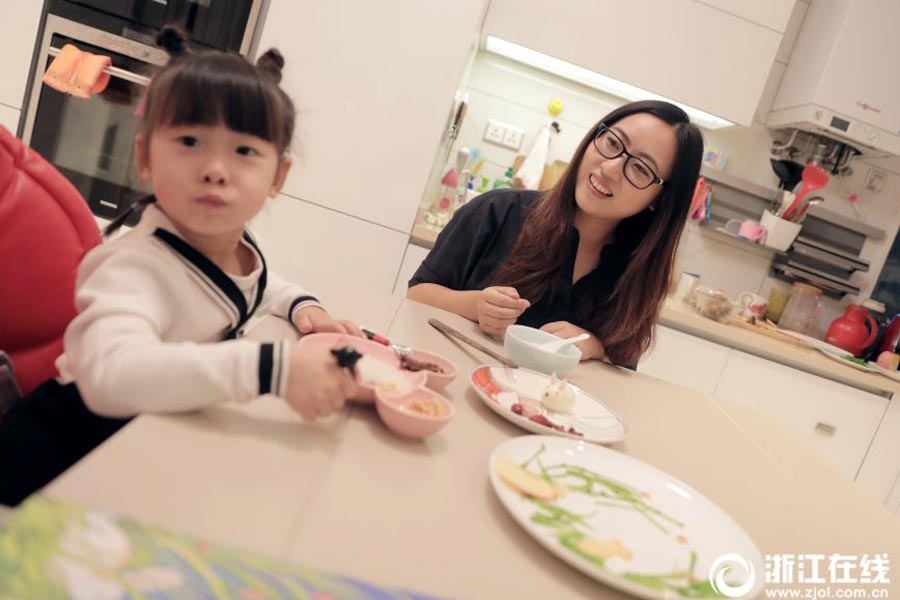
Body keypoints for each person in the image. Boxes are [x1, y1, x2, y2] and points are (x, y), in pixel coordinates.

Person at [0, 28, 359, 505]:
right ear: (145, 156)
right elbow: (111, 375)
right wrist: (272, 368)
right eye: (190, 141)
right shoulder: (134, 268)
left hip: (142, 442)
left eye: (244, 151)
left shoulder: (231, 243)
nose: (215, 169)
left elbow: (258, 284)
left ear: (278, 176)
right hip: (57, 460)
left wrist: (303, 307)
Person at [407, 100, 703, 368]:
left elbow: (625, 358)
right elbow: (417, 292)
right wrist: (474, 306)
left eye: (640, 168)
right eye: (612, 142)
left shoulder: (639, 270)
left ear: (659, 199)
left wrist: (596, 346)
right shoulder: (496, 211)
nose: (610, 168)